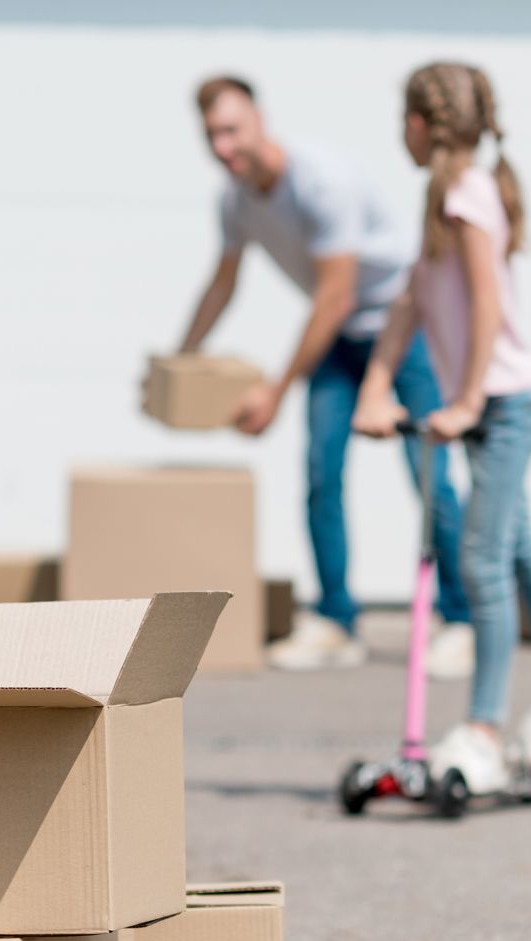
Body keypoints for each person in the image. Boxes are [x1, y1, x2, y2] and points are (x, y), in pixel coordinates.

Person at [353, 62, 531, 784]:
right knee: (522, 548)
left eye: (402, 122)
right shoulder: (444, 195)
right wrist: (374, 388)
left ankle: (483, 728)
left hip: (505, 403)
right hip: (489, 405)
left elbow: (487, 302)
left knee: (480, 560)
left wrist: (468, 398)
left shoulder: (468, 194)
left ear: (418, 125)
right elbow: (410, 301)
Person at [175, 75, 473, 675]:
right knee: (320, 472)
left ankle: (461, 619)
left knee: (430, 476)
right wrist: (178, 364)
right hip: (339, 338)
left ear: (260, 119)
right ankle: (336, 621)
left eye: (232, 130)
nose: (224, 147)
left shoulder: (321, 182)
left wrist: (275, 393)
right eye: (212, 136)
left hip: (401, 325)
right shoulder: (235, 199)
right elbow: (224, 281)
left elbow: (335, 296)